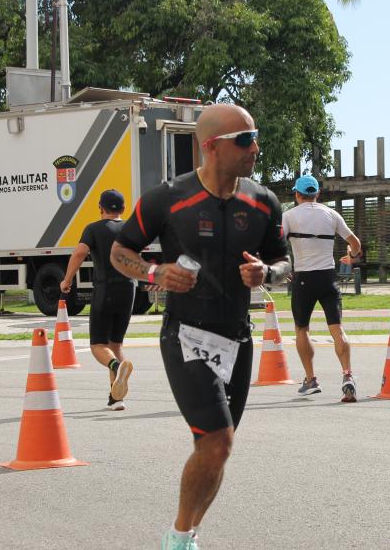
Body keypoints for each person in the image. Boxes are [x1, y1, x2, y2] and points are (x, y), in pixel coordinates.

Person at [110, 103, 290, 550]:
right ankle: (177, 538)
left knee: (216, 450)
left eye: (255, 137)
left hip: (238, 338)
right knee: (217, 442)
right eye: (244, 140)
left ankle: (186, 534)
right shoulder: (168, 198)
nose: (255, 148)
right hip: (186, 334)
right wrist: (156, 273)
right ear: (211, 146)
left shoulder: (263, 201)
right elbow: (120, 252)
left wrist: (267, 273)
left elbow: (285, 263)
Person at [281, 174, 363, 402]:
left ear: (297, 194)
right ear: (317, 194)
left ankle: (311, 379)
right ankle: (347, 375)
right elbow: (355, 243)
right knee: (337, 329)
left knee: (302, 329)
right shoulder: (331, 214)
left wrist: (282, 267)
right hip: (328, 278)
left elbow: (276, 243)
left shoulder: (289, 216)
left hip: (303, 279)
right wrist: (351, 257)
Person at [60, 189, 135, 412]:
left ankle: (117, 366)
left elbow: (79, 253)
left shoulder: (93, 229)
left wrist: (67, 280)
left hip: (105, 289)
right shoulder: (130, 229)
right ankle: (116, 398)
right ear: (123, 208)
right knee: (115, 344)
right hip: (128, 289)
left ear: (100, 207)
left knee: (98, 345)